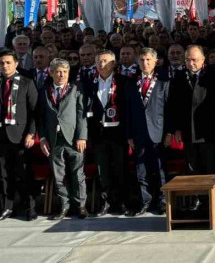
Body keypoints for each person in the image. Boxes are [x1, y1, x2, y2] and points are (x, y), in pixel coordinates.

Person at [168, 45, 215, 211]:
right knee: (191, 167)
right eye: (188, 60)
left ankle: (211, 200)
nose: (191, 63)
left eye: (194, 60)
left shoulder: (213, 76)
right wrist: (176, 128)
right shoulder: (178, 77)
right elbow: (173, 105)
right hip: (187, 130)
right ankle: (196, 199)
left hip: (207, 130)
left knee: (209, 166)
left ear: (203, 60)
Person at [81, 50, 134, 216]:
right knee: (102, 170)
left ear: (114, 64)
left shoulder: (124, 81)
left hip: (118, 132)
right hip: (98, 133)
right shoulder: (89, 82)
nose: (102, 64)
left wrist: (129, 134)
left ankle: (123, 202)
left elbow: (128, 110)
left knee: (120, 169)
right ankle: (105, 202)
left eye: (105, 61)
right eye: (99, 61)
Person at [38, 58, 88, 220]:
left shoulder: (76, 88)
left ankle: (80, 205)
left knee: (77, 173)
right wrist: (43, 137)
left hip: (73, 138)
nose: (61, 75)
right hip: (54, 139)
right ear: (51, 73)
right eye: (58, 71)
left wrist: (82, 136)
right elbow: (41, 117)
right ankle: (64, 206)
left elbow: (81, 114)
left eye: (65, 72)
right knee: (59, 175)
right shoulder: (44, 90)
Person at [127, 48, 171, 216]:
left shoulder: (163, 82)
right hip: (139, 132)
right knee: (141, 169)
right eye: (142, 60)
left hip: (158, 132)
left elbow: (168, 110)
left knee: (160, 168)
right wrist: (129, 135)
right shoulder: (132, 82)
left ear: (155, 61)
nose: (144, 63)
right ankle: (145, 201)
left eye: (148, 60)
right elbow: (128, 111)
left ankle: (163, 200)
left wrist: (168, 133)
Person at [0, 50, 39, 221]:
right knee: (3, 174)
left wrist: (31, 133)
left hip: (21, 135)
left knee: (24, 173)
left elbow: (35, 111)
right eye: (1, 63)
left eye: (8, 62)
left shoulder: (26, 82)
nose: (4, 66)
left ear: (16, 63)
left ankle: (29, 207)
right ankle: (7, 207)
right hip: (1, 135)